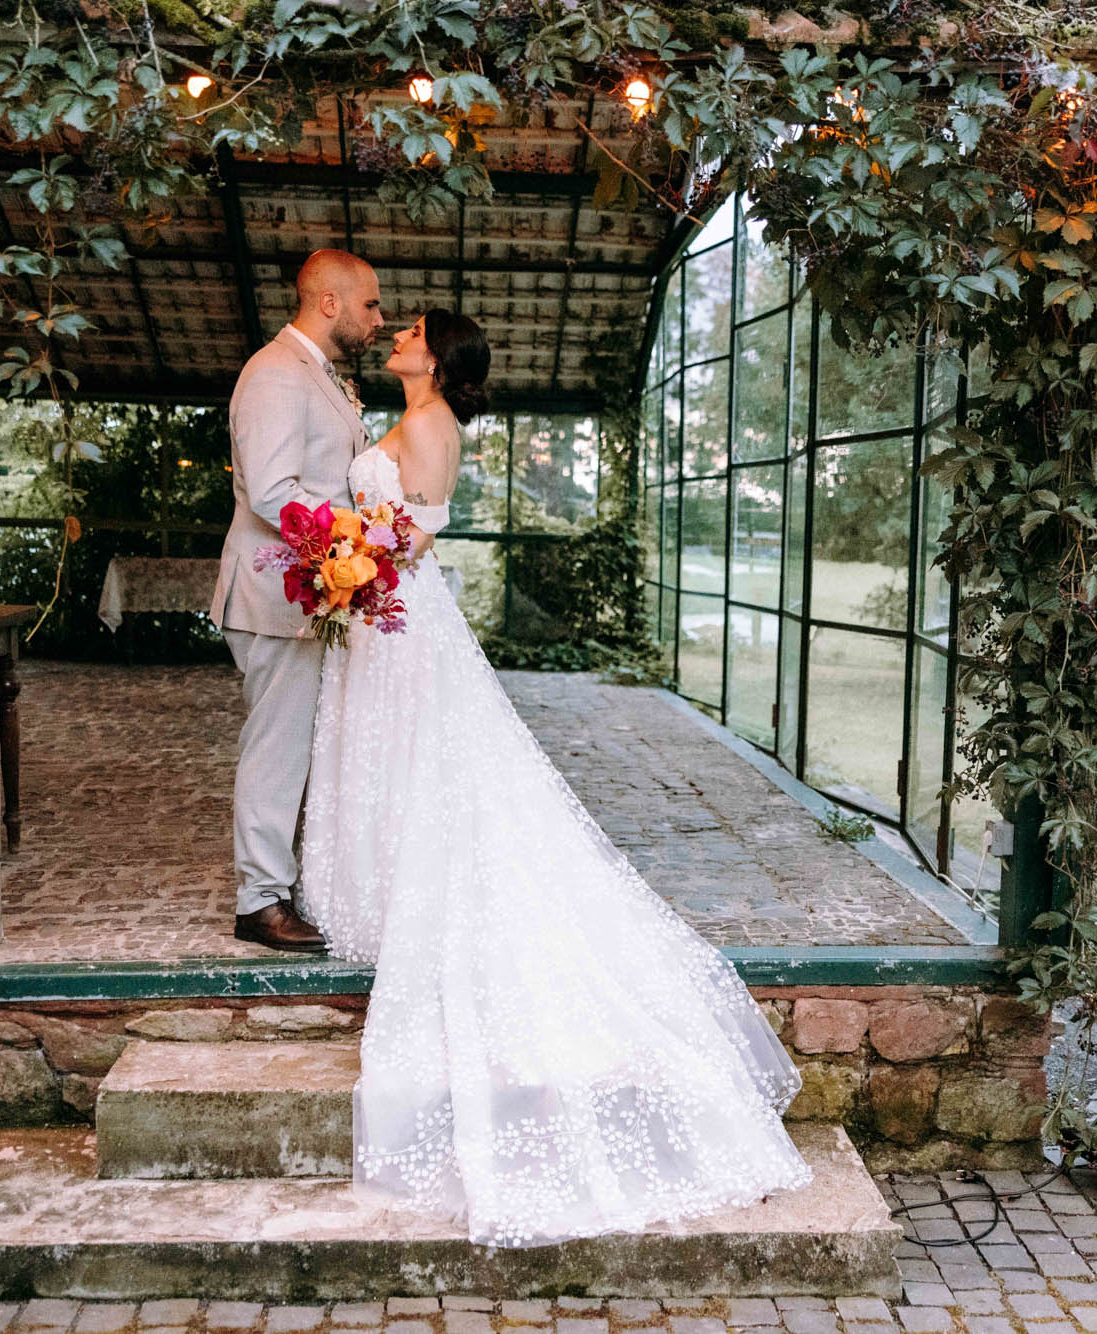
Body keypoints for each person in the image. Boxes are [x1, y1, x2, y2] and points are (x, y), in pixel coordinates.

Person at [299, 309, 811, 1248]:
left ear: (440, 357)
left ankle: (410, 892)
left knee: (424, 767)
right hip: (380, 612)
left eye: (411, 330)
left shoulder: (430, 426)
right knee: (393, 762)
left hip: (398, 612)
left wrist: (354, 560)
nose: (398, 337)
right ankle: (378, 889)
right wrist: (343, 556)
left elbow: (416, 536)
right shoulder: (409, 418)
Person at [212, 249, 382, 954]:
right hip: (275, 592)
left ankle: (285, 881)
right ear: (331, 302)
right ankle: (258, 901)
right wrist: (348, 551)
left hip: (308, 593)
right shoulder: (277, 375)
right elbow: (275, 489)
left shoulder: (318, 376)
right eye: (371, 304)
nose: (380, 317)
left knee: (302, 746)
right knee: (277, 748)